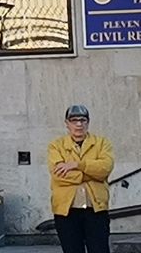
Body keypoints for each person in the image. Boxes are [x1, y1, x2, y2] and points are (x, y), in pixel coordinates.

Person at [48, 104, 114, 253]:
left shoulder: (102, 143)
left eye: (83, 120)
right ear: (67, 123)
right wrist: (91, 173)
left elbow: (105, 169)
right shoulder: (56, 146)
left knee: (100, 249)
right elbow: (59, 175)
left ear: (88, 122)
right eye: (74, 120)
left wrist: (77, 165)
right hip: (67, 211)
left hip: (96, 209)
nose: (79, 124)